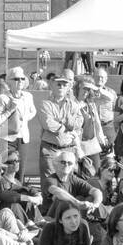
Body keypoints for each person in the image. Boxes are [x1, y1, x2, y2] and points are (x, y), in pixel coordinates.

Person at [37, 69, 81, 197]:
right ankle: (47, 210)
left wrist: (61, 123)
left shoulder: (73, 104)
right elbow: (48, 124)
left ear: (68, 88)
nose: (61, 87)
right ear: (51, 85)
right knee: (49, 181)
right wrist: (67, 126)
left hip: (68, 148)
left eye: (64, 84)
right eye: (58, 84)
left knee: (68, 180)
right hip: (50, 148)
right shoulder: (45, 104)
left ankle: (67, 207)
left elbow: (79, 122)